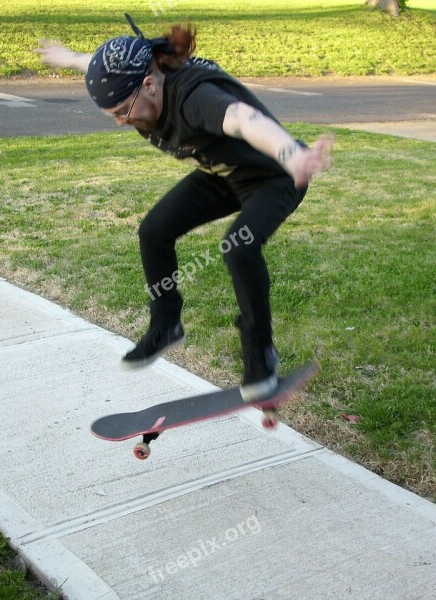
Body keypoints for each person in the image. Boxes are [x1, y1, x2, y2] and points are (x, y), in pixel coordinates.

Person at [37, 14, 333, 401]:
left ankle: (260, 358)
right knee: (154, 231)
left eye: (122, 112)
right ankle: (166, 326)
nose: (121, 123)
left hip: (275, 176)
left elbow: (244, 119)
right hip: (223, 175)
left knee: (238, 247)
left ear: (148, 84)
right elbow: (102, 60)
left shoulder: (195, 98)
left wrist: (291, 153)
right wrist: (70, 57)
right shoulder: (139, 70)